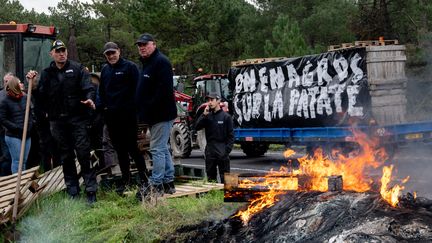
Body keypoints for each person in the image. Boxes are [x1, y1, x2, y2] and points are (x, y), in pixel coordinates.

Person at [29, 40, 97, 204]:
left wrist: (89, 99)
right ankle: (72, 191)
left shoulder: (77, 68)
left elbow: (88, 87)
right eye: (58, 51)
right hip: (57, 122)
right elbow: (41, 97)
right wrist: (32, 85)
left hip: (77, 119)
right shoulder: (46, 73)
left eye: (63, 50)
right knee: (65, 156)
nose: (61, 53)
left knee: (83, 154)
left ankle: (91, 191)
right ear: (51, 54)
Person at [99, 41, 149, 194]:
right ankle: (125, 181)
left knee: (133, 148)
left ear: (119, 51)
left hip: (128, 116)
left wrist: (137, 112)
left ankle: (144, 179)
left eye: (113, 53)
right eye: (108, 54)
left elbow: (139, 90)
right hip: (112, 117)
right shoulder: (105, 70)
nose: (111, 56)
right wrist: (104, 109)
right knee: (119, 150)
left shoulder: (130, 67)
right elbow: (101, 93)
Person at [135, 33, 177, 198]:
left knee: (157, 148)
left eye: (145, 44)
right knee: (163, 148)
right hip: (153, 116)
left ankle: (156, 184)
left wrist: (147, 107)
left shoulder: (161, 62)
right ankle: (168, 182)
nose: (142, 48)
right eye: (139, 45)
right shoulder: (147, 63)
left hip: (161, 114)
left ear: (154, 44)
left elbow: (163, 92)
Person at [195, 93, 234, 183]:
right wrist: (203, 115)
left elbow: (231, 136)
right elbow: (196, 127)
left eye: (212, 100)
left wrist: (226, 151)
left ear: (218, 101)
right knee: (210, 178)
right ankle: (213, 195)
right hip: (210, 150)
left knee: (227, 179)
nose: (209, 102)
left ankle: (229, 196)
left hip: (222, 149)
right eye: (208, 100)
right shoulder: (207, 116)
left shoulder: (226, 117)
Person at [0, 76, 33, 174]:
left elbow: (31, 114)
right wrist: (17, 128)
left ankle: (22, 183)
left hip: (26, 134)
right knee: (18, 161)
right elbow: (3, 119)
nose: (21, 85)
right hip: (13, 135)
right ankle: (17, 184)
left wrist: (29, 126)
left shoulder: (25, 97)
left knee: (24, 161)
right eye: (18, 84)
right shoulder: (4, 101)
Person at [0, 73, 13, 176]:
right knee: (7, 155)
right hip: (3, 131)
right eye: (5, 81)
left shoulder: (19, 95)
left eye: (9, 81)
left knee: (13, 156)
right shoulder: (1, 95)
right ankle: (4, 177)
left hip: (16, 131)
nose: (7, 83)